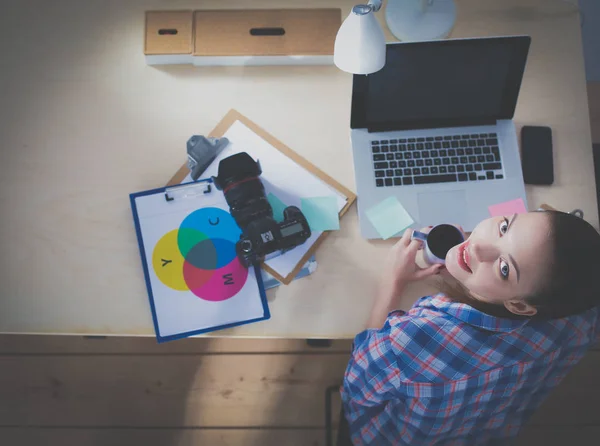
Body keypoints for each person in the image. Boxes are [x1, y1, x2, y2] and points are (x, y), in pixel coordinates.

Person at [341, 210, 600, 445]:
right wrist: (471, 275)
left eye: (505, 268)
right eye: (504, 227)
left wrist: (392, 280)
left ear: (519, 306)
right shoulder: (582, 315)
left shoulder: (409, 342)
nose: (477, 247)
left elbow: (354, 388)